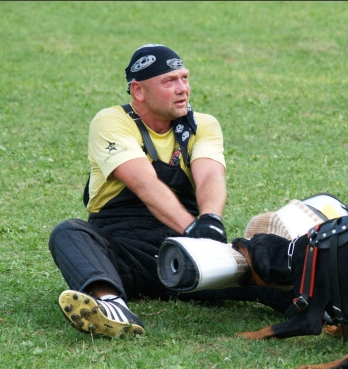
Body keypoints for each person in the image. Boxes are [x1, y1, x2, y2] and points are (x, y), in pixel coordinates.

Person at [49, 44, 257, 338]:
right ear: (138, 91)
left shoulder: (203, 125)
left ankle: (319, 304)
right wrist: (192, 227)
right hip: (120, 251)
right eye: (169, 81)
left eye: (184, 78)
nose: (182, 88)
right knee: (68, 232)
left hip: (184, 252)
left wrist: (209, 222)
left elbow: (210, 174)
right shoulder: (111, 122)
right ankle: (111, 306)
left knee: (261, 261)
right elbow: (143, 183)